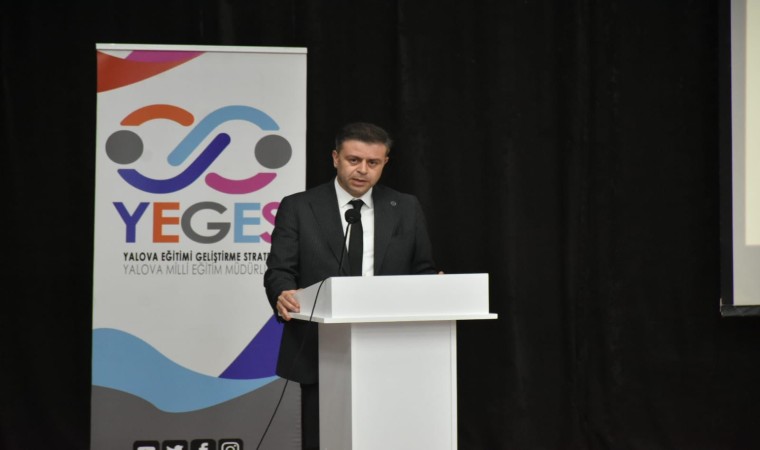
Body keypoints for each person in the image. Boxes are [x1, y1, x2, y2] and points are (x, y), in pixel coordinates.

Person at [263, 122, 438, 449]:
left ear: (385, 163)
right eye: (353, 160)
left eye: (373, 162)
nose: (363, 170)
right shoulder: (299, 206)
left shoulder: (405, 207)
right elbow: (279, 271)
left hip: (392, 348)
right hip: (321, 348)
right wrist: (282, 294)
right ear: (335, 158)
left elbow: (422, 270)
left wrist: (436, 288)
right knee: (324, 438)